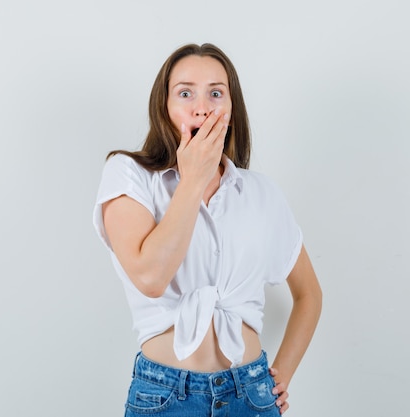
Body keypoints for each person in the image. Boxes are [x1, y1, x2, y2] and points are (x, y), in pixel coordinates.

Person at [93, 43, 322, 416]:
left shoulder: (261, 192)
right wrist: (193, 179)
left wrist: (280, 378)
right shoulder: (128, 174)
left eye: (216, 93)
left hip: (251, 394)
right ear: (164, 108)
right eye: (186, 93)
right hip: (166, 396)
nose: (202, 106)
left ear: (231, 110)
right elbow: (150, 276)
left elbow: (309, 294)